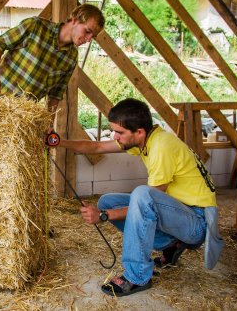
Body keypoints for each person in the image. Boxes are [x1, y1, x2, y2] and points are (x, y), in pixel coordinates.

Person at [54, 98, 224, 297]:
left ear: (139, 132)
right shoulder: (145, 139)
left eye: (119, 132)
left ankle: (137, 276)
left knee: (142, 194)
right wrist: (60, 142)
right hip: (180, 212)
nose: (115, 136)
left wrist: (103, 216)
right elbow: (97, 147)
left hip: (196, 223)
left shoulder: (162, 147)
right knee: (107, 201)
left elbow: (147, 202)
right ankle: (172, 245)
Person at [0, 3, 105, 116]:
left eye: (92, 36)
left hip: (22, 117)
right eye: (87, 31)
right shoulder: (35, 26)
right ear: (74, 20)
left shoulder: (71, 57)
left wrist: (49, 123)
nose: (89, 39)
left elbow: (56, 94)